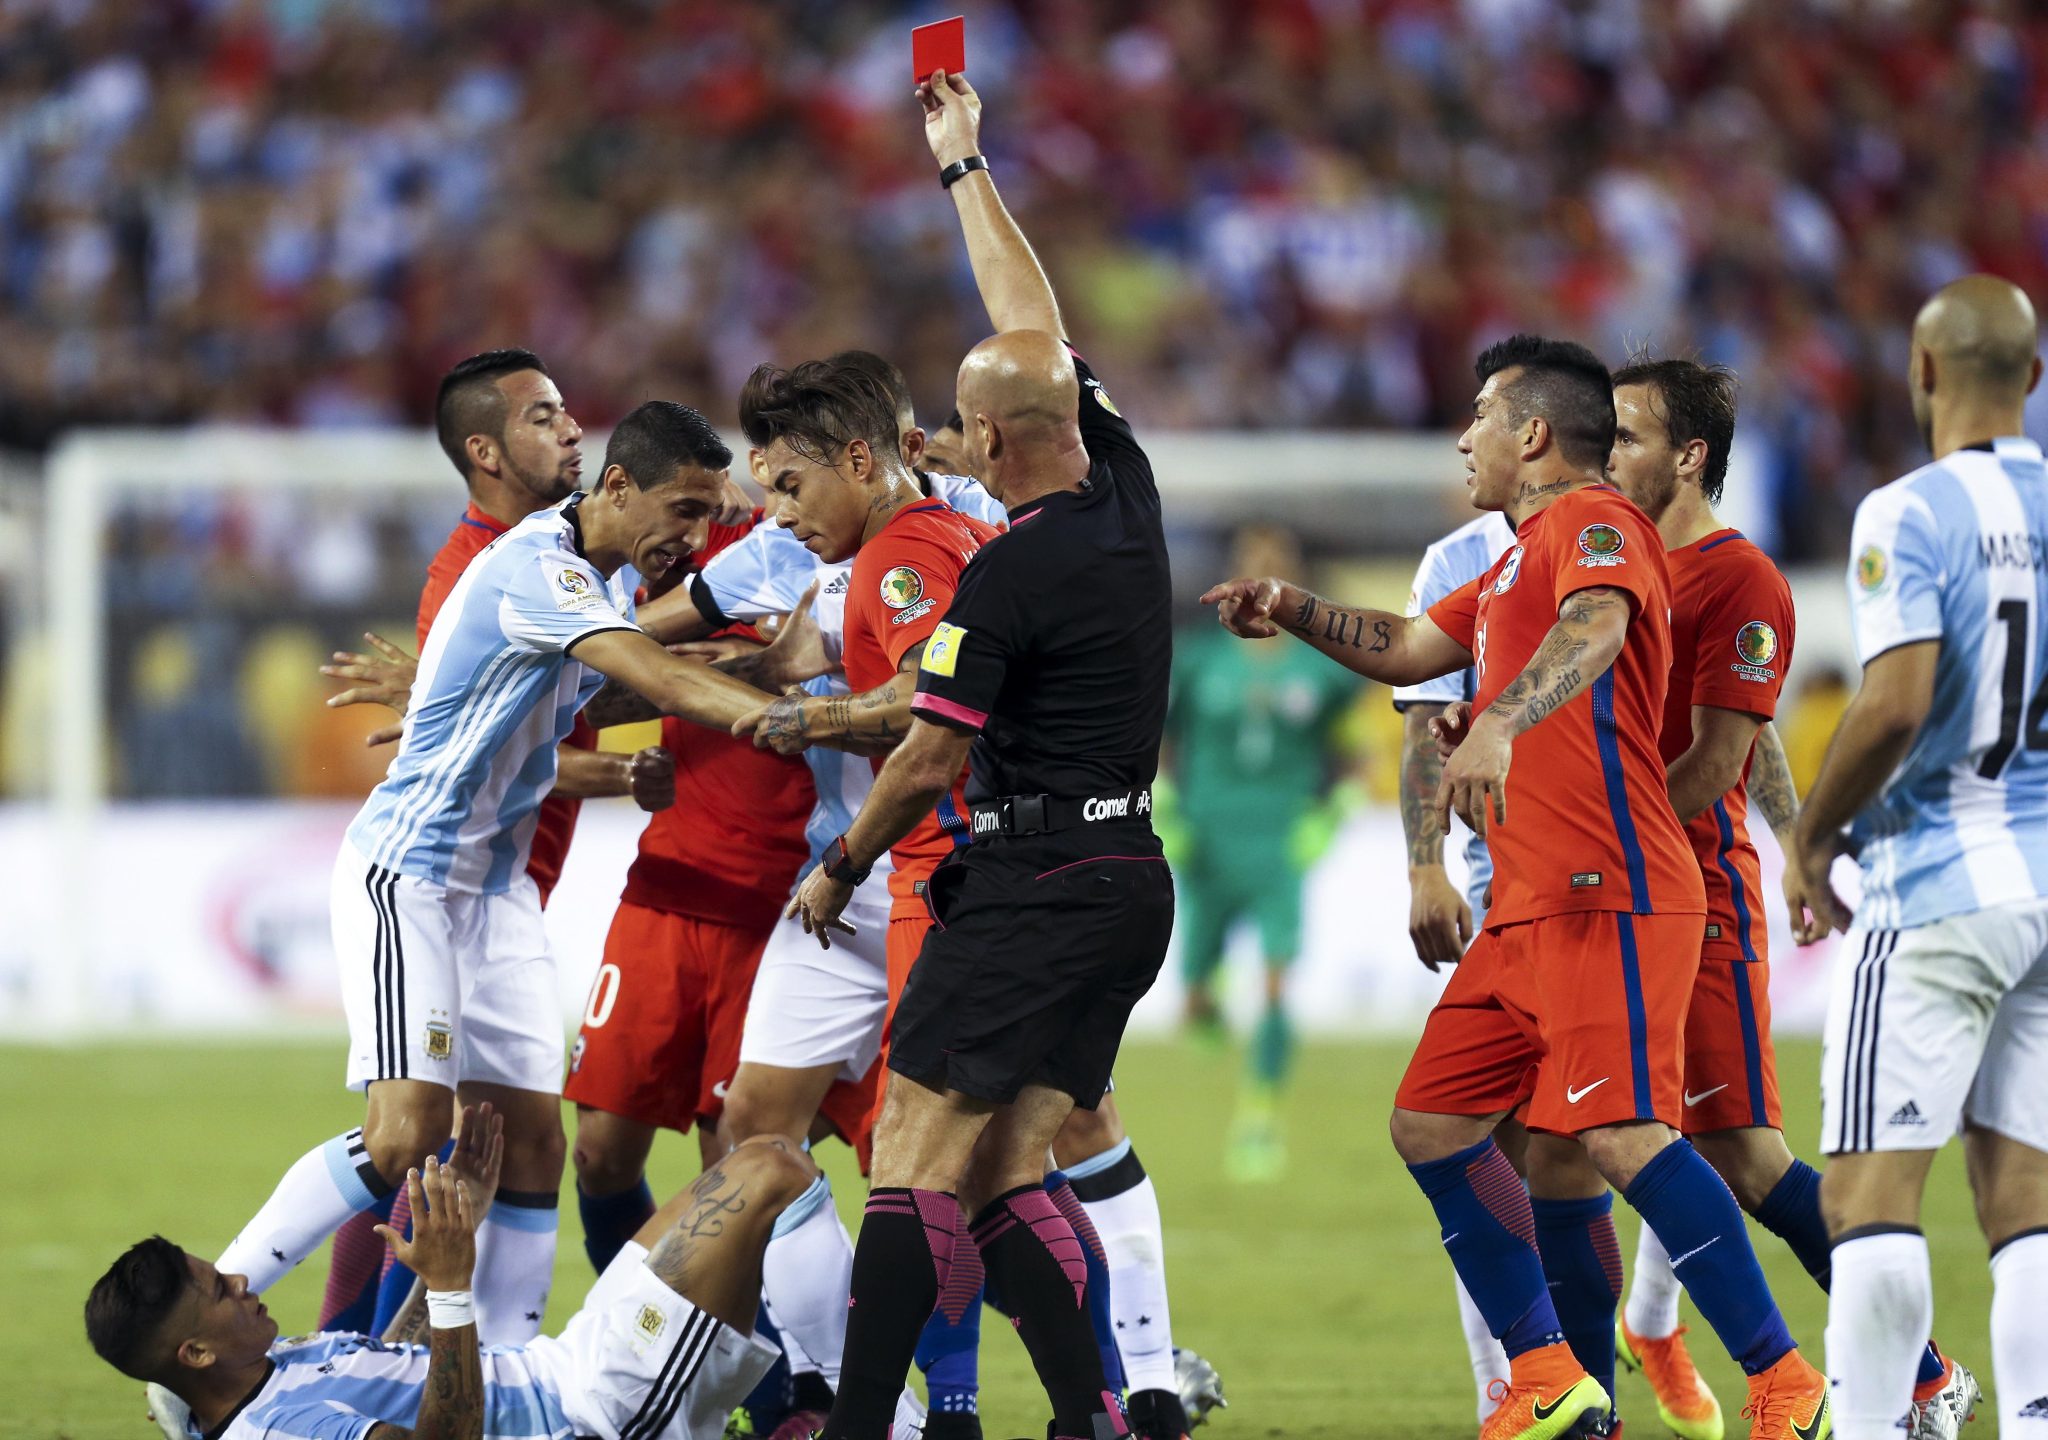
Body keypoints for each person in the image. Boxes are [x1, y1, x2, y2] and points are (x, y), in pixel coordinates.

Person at [1203, 333, 1830, 1440]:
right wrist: (1291, 607)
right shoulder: (1503, 565)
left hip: (1608, 881)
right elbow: (1402, 645)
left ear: (1532, 432)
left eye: (1480, 415)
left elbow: (1596, 627)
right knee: (1431, 1123)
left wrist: (1494, 719)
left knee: (1623, 1136)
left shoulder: (1596, 524)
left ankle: (1782, 1378)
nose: (1461, 436)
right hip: (1527, 898)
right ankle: (1544, 1371)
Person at [773, 71, 1176, 1440]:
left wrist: (841, 861)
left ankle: (862, 1422)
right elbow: (1035, 330)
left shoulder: (1000, 580)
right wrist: (964, 168)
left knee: (908, 1157)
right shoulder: (1125, 489)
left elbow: (931, 758)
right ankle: (1094, 1419)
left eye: (965, 423)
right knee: (1004, 1174)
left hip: (1030, 880)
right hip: (1127, 880)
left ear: (991, 442)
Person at [213, 401, 790, 1347]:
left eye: (706, 517)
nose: (693, 537)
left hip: (499, 893)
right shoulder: (544, 570)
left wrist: (619, 768)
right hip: (413, 877)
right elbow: (656, 677)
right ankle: (211, 1303)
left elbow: (537, 734)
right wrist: (789, 712)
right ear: (616, 487)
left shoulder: (593, 577)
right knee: (406, 1134)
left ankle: (509, 1375)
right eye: (682, 511)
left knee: (527, 1147)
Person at [1605, 358, 1977, 1440]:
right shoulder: (1612, 559)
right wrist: (1794, 841)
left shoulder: (1733, 578)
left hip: (1688, 887)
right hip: (1624, 883)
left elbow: (1725, 750)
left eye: (1625, 435)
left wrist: (1778, 848)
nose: (1604, 454)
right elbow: (1752, 731)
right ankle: (1636, 1348)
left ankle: (1912, 1369)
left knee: (1743, 1154)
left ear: (1686, 456)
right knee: (1604, 1130)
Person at [314, 347, 683, 1336]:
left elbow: (576, 704)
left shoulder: (581, 559)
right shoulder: (481, 570)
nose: (572, 429)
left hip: (512, 880)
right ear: (483, 449)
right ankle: (359, 1357)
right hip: (457, 881)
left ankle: (468, 1361)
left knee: (500, 1146)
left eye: (570, 413)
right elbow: (483, 754)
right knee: (428, 1144)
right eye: (544, 417)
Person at [1786, 274, 2048, 1440]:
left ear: (1921, 371)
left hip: (1935, 881)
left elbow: (1890, 705)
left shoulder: (1905, 510)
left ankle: (1871, 1428)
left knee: (1864, 1194)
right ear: (2032, 381)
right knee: (2024, 1195)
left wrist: (1811, 832)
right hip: (2045, 892)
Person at [88, 1104, 822, 1440]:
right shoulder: (281, 1431)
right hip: (595, 1412)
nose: (242, 1281)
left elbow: (403, 1367)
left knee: (761, 1162)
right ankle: (869, 1413)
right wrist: (447, 1287)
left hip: (563, 1366)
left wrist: (455, 1235)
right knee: (772, 1169)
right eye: (219, 1291)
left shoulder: (264, 1368)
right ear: (194, 1354)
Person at [1166, 521, 1361, 1181]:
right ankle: (1206, 992)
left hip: (1279, 841)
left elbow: (1355, 754)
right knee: (1192, 999)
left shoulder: (1321, 668)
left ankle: (1259, 1118)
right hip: (1207, 839)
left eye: (1275, 567)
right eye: (1253, 565)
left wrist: (1331, 814)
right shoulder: (1197, 658)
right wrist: (1165, 803)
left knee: (1278, 980)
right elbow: (1160, 740)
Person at [1390, 505, 1518, 1423]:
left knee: (1695, 1143)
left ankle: (1655, 1325)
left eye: (1487, 416)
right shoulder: (1459, 560)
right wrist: (1428, 864)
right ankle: (1510, 1394)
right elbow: (1421, 717)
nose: (1467, 439)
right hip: (1506, 895)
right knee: (1482, 1140)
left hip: (1631, 885)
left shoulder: (1625, 536)